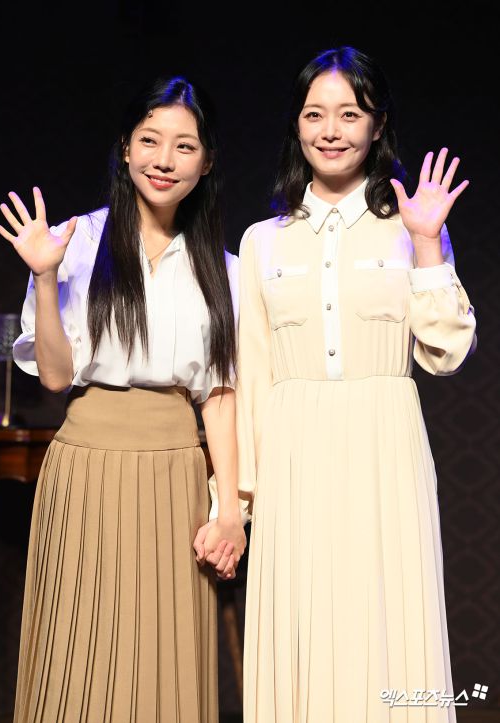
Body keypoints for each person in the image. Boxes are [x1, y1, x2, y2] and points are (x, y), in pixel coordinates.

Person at [234, 47, 477, 722]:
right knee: (301, 623)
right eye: (315, 114)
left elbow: (447, 353)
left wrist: (427, 244)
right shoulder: (262, 241)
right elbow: (252, 373)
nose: (331, 130)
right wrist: (239, 499)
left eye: (349, 113)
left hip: (383, 442)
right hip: (294, 451)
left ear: (378, 124)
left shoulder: (413, 225)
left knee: (390, 618)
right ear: (296, 125)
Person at [0, 76, 247, 723]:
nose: (165, 159)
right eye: (150, 141)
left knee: (164, 660)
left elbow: (220, 397)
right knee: (77, 655)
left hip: (174, 474)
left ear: (206, 161)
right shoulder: (77, 240)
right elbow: (56, 376)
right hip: (86, 465)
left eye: (184, 146)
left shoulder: (226, 269)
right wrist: (45, 277)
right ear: (126, 148)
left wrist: (229, 510)